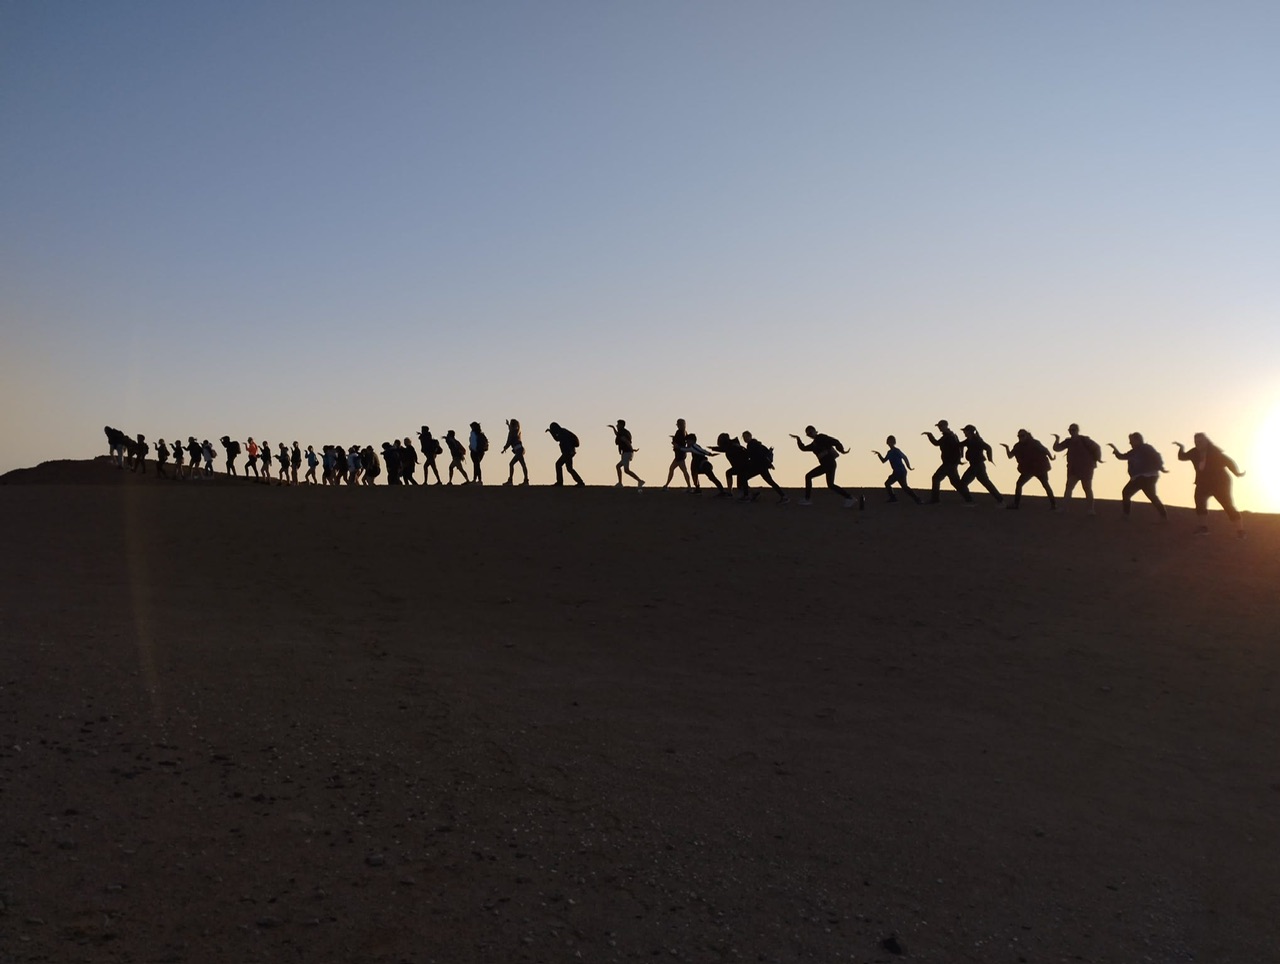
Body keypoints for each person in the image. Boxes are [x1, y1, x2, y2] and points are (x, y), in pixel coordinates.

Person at [1174, 433, 1246, 536]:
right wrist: (1181, 448)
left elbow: (1229, 462)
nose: (1198, 444)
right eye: (1196, 442)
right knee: (1199, 501)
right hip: (1203, 483)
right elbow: (1182, 457)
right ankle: (1203, 528)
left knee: (1227, 505)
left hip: (1220, 483)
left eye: (1200, 441)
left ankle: (1240, 531)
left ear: (1206, 441)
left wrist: (1237, 473)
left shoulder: (1215, 453)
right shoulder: (1194, 452)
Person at [790, 425, 856, 507]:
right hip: (828, 464)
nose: (810, 434)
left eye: (811, 432)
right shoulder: (813, 445)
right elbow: (803, 448)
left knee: (808, 476)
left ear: (815, 431)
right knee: (830, 485)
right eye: (808, 433)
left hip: (829, 463)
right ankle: (849, 497)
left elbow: (835, 441)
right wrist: (798, 439)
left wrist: (841, 450)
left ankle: (807, 499)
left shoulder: (821, 437)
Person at [1108, 433, 1168, 521]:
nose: (1130, 443)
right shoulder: (1134, 451)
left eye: (1131, 441)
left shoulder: (1146, 448)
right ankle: (1163, 516)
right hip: (1140, 477)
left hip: (1147, 476)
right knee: (1148, 495)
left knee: (1129, 493)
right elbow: (1123, 456)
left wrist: (1161, 467)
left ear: (1137, 440)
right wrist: (1116, 451)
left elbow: (1156, 456)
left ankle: (1126, 515)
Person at [1052, 423, 1103, 514]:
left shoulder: (1084, 440)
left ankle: (1091, 509)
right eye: (1070, 430)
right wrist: (1057, 439)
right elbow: (1057, 448)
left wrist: (1097, 459)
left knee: (1087, 488)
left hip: (1086, 469)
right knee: (1069, 488)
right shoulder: (1069, 441)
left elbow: (1097, 447)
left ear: (1077, 430)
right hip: (1074, 470)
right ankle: (1064, 508)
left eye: (1073, 430)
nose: (1072, 432)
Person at [1001, 430, 1056, 510]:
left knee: (1045, 485)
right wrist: (1007, 448)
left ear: (1027, 435)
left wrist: (1051, 458)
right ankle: (1016, 504)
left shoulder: (1034, 443)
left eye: (1022, 436)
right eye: (1019, 436)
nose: (1020, 438)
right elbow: (1010, 456)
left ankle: (1054, 504)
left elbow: (1045, 450)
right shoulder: (1018, 446)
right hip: (1028, 469)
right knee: (1019, 484)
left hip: (1039, 468)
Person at [922, 420, 973, 504]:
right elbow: (938, 443)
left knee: (936, 478)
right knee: (955, 482)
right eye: (939, 426)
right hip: (950, 463)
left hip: (949, 463)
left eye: (941, 426)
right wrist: (929, 435)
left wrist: (958, 459)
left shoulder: (949, 436)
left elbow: (957, 447)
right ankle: (969, 499)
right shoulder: (949, 436)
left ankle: (935, 500)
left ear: (945, 426)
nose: (939, 428)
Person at [958, 424, 1004, 504]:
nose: (964, 432)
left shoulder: (977, 440)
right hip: (976, 465)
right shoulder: (969, 440)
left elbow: (988, 447)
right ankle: (1000, 500)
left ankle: (970, 501)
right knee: (986, 483)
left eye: (965, 431)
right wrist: (961, 454)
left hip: (977, 465)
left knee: (963, 483)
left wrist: (990, 458)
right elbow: (960, 445)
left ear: (970, 432)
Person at [740, 431, 789, 503]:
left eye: (746, 436)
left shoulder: (752, 445)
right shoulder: (756, 444)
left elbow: (757, 456)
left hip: (759, 466)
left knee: (744, 477)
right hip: (761, 466)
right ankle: (783, 496)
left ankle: (747, 496)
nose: (745, 438)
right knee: (770, 481)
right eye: (744, 437)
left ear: (750, 436)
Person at [872, 436, 922, 504]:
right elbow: (883, 461)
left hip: (900, 471)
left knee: (889, 484)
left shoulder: (896, 451)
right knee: (904, 487)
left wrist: (909, 466)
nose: (889, 443)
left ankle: (894, 498)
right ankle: (917, 499)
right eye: (888, 441)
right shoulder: (889, 452)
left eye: (890, 441)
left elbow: (905, 458)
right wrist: (879, 454)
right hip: (897, 472)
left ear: (893, 442)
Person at [609, 419, 645, 489]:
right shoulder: (622, 432)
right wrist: (613, 428)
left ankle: (639, 481)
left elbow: (626, 441)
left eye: (618, 424)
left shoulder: (623, 433)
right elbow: (617, 434)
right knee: (619, 467)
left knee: (626, 470)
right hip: (627, 452)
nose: (617, 425)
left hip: (627, 452)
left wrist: (632, 449)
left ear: (621, 425)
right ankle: (620, 483)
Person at [664, 418, 692, 489]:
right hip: (681, 453)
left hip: (679, 454)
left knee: (677, 469)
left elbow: (678, 442)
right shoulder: (684, 432)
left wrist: (674, 442)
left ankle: (689, 486)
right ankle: (666, 485)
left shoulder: (679, 432)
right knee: (680, 470)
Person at [502, 419, 529, 486]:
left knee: (512, 464)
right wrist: (508, 425)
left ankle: (511, 480)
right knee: (522, 464)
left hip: (518, 450)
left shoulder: (512, 432)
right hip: (520, 449)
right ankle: (526, 480)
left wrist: (505, 448)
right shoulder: (517, 431)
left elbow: (509, 441)